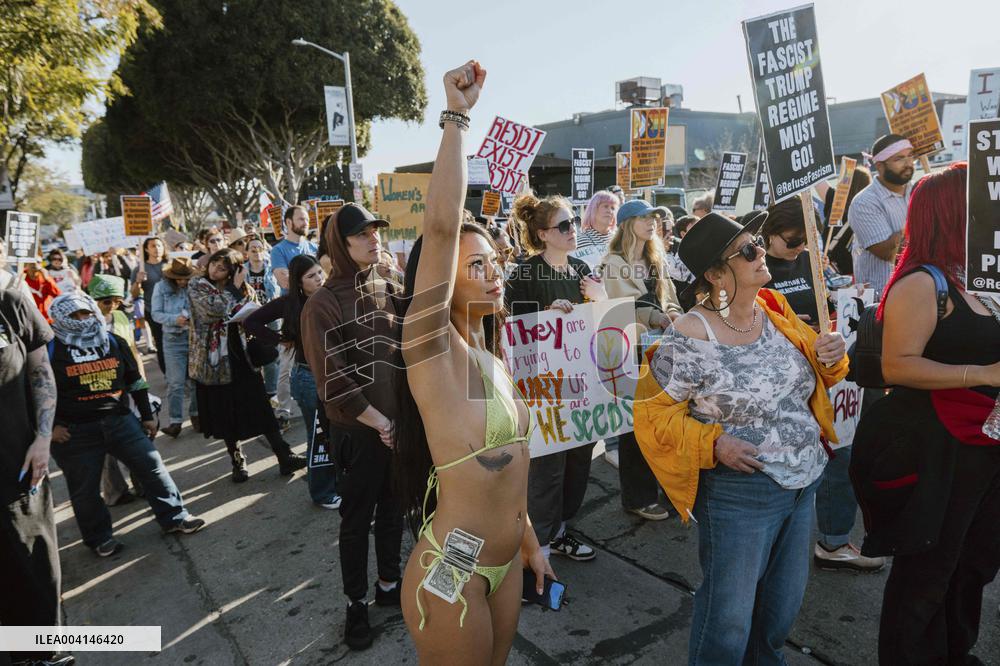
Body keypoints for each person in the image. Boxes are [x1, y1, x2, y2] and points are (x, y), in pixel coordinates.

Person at [632, 211, 849, 665]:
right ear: (715, 275)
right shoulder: (686, 336)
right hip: (741, 494)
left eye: (758, 243)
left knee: (779, 614)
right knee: (728, 622)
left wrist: (830, 357)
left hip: (804, 483)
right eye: (748, 250)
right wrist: (714, 444)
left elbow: (814, 375)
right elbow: (651, 417)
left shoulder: (773, 308)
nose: (760, 252)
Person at [392, 60, 551, 664]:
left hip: (506, 562)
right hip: (451, 575)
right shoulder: (429, 346)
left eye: (494, 262)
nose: (494, 274)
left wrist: (529, 541)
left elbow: (510, 468)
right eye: (475, 266)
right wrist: (457, 119)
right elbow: (438, 228)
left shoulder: (490, 353)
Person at [869, 163, 1000, 663]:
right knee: (928, 571)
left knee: (975, 563)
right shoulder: (923, 283)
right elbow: (897, 365)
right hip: (939, 445)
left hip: (986, 444)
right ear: (953, 213)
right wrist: (982, 373)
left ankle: (953, 652)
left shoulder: (979, 277)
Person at [301, 202, 405, 651]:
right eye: (362, 233)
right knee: (357, 519)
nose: (373, 238)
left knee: (394, 511)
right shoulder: (322, 303)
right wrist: (380, 422)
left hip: (396, 428)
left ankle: (388, 583)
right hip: (358, 433)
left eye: (375, 230)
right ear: (340, 245)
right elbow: (333, 381)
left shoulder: (390, 283)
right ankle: (356, 603)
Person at [760, 200, 884, 573]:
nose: (800, 247)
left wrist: (843, 299)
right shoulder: (755, 266)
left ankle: (833, 540)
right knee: (785, 460)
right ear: (769, 233)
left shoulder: (812, 260)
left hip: (828, 368)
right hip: (783, 381)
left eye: (807, 241)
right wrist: (783, 323)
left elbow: (833, 297)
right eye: (792, 241)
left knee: (841, 452)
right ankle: (774, 543)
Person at [47, 292, 206, 556]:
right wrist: (52, 425)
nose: (82, 319)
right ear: (58, 319)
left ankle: (175, 517)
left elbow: (135, 380)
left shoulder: (111, 341)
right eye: (73, 316)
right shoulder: (49, 350)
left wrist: (146, 415)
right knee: (85, 489)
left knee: (152, 467)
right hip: (75, 433)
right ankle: (99, 538)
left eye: (85, 313)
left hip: (120, 421)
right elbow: (36, 391)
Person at [506, 192, 606, 564]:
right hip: (544, 387)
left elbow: (604, 323)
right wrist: (545, 314)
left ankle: (560, 531)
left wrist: (600, 296)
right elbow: (512, 331)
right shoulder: (525, 273)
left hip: (584, 384)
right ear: (543, 234)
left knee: (579, 460)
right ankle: (539, 548)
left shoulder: (582, 268)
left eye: (574, 221)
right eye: (564, 225)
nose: (573, 229)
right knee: (547, 468)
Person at [188, 248, 307, 482]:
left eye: (223, 267)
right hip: (214, 362)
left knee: (261, 407)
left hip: (242, 357)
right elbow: (212, 309)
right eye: (214, 263)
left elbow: (254, 312)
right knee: (226, 413)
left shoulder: (243, 288)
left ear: (232, 271)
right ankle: (237, 461)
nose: (215, 269)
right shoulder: (197, 285)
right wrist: (233, 290)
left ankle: (284, 455)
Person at [602, 198, 681, 521]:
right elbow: (618, 307)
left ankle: (668, 488)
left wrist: (673, 314)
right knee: (635, 425)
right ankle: (638, 497)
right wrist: (655, 316)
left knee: (665, 419)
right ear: (627, 224)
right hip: (632, 349)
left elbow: (670, 298)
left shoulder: (655, 258)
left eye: (654, 218)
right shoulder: (613, 262)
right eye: (644, 217)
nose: (652, 223)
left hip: (662, 345)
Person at [246, 255, 341, 510]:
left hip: (332, 375)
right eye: (311, 276)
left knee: (336, 433)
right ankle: (322, 492)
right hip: (308, 377)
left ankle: (335, 483)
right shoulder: (289, 303)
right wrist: (279, 339)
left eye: (320, 272)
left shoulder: (329, 295)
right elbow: (251, 321)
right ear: (299, 282)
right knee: (319, 435)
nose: (319, 278)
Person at [0, 288, 64, 665]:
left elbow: (41, 370)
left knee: (35, 567)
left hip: (17, 468)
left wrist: (43, 438)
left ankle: (41, 653)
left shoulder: (10, 302)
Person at [849, 133, 914, 297]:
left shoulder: (918, 190)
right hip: (882, 296)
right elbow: (888, 253)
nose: (908, 163)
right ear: (879, 166)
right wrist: (920, 221)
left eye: (910, 155)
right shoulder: (864, 202)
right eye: (899, 159)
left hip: (917, 289)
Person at [271, 205, 318, 430]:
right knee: (286, 366)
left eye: (307, 218)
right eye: (300, 219)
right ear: (288, 223)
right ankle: (283, 411)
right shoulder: (278, 250)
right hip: (292, 317)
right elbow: (284, 281)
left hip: (317, 314)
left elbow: (324, 278)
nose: (305, 222)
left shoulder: (313, 247)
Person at [151, 258, 200, 437]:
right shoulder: (161, 287)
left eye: (185, 279)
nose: (182, 282)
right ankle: (175, 421)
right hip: (172, 339)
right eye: (178, 279)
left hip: (194, 338)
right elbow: (155, 314)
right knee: (176, 383)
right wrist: (174, 319)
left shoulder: (195, 286)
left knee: (196, 381)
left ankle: (196, 415)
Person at [244, 234, 282, 398]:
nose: (257, 251)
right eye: (253, 249)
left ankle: (272, 391)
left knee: (272, 355)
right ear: (247, 253)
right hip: (250, 317)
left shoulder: (272, 269)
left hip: (271, 315)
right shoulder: (242, 271)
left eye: (260, 248)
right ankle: (256, 391)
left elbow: (279, 290)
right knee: (252, 354)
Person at [822, 165, 872, 277]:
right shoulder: (868, 212)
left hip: (830, 272)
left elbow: (817, 180)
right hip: (856, 275)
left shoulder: (835, 201)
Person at [131, 237, 168, 373]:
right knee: (161, 343)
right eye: (153, 246)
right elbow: (134, 294)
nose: (157, 248)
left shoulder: (171, 264)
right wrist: (138, 282)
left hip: (175, 310)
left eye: (159, 245)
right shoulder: (139, 269)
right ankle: (167, 374)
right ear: (146, 249)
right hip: (153, 311)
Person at [571, 189, 619, 269]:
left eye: (613, 208)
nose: (610, 211)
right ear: (593, 209)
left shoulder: (620, 239)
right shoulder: (577, 242)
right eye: (605, 206)